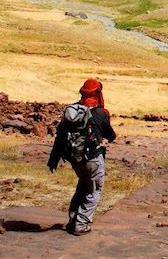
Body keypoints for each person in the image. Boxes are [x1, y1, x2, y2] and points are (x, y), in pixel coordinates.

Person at [48, 78, 116, 236]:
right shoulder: (99, 112)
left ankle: (73, 220)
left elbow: (61, 135)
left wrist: (53, 159)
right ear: (98, 92)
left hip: (75, 158)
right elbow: (111, 135)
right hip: (93, 157)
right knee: (94, 190)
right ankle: (81, 224)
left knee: (83, 186)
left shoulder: (73, 111)